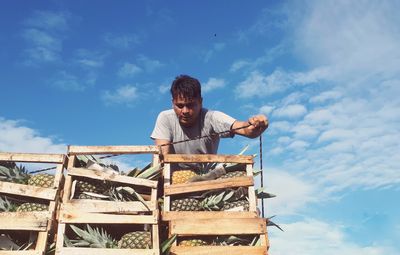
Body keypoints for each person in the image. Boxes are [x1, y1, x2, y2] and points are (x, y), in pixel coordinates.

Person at [151, 75, 268, 160]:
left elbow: (244, 128)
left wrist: (256, 125)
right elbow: (162, 155)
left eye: (191, 105)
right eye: (180, 106)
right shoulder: (165, 118)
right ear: (173, 103)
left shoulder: (212, 118)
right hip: (171, 180)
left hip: (206, 179)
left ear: (200, 102)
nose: (185, 111)